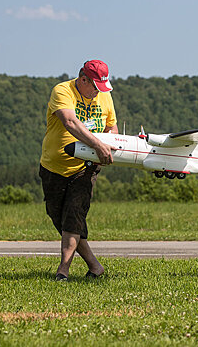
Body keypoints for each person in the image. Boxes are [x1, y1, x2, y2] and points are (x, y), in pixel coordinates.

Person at [39, 60, 118, 281]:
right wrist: (98, 145)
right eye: (95, 87)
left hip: (85, 167)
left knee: (74, 215)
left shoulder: (104, 95)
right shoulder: (62, 91)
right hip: (53, 166)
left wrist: (104, 149)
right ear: (83, 79)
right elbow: (70, 122)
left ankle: (63, 270)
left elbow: (111, 125)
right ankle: (95, 266)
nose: (98, 92)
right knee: (59, 217)